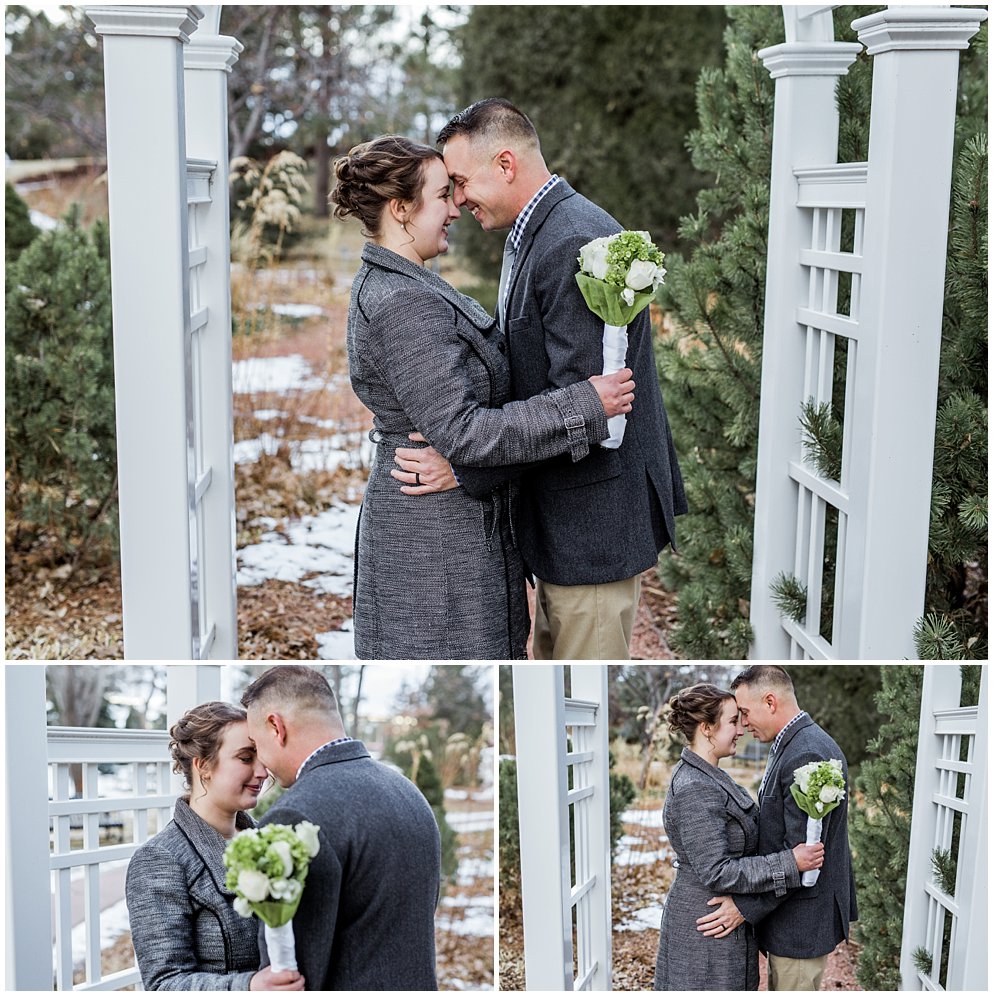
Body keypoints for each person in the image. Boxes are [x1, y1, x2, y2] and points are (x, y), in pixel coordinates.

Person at [397, 97, 686, 659]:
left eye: (459, 181)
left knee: (578, 690)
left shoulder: (572, 242)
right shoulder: (539, 230)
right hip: (565, 524)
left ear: (505, 164)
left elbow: (581, 410)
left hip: (592, 527)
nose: (456, 201)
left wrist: (465, 464)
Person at [331, 134, 636, 659]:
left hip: (450, 529)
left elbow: (458, 430)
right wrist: (583, 404)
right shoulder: (403, 302)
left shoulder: (412, 283)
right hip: (435, 546)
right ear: (401, 208)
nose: (454, 208)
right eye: (441, 194)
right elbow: (465, 432)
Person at [242, 665, 442, 991]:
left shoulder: (293, 817)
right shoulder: (407, 791)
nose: (261, 763)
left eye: (255, 742)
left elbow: (293, 973)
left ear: (276, 727)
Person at [696, 666, 859, 991]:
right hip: (794, 918)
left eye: (744, 712)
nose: (742, 724)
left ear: (770, 701)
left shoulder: (806, 753)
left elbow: (801, 857)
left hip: (800, 922)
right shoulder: (796, 742)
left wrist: (744, 908)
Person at [654, 684, 825, 991]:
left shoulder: (710, 774)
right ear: (707, 728)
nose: (741, 729)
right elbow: (717, 870)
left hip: (719, 918)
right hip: (706, 924)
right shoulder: (696, 787)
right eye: (733, 721)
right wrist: (790, 861)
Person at [126, 702, 304, 991]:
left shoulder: (272, 841)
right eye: (246, 758)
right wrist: (248, 987)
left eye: (261, 756)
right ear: (203, 766)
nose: (262, 771)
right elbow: (164, 984)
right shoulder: (160, 859)